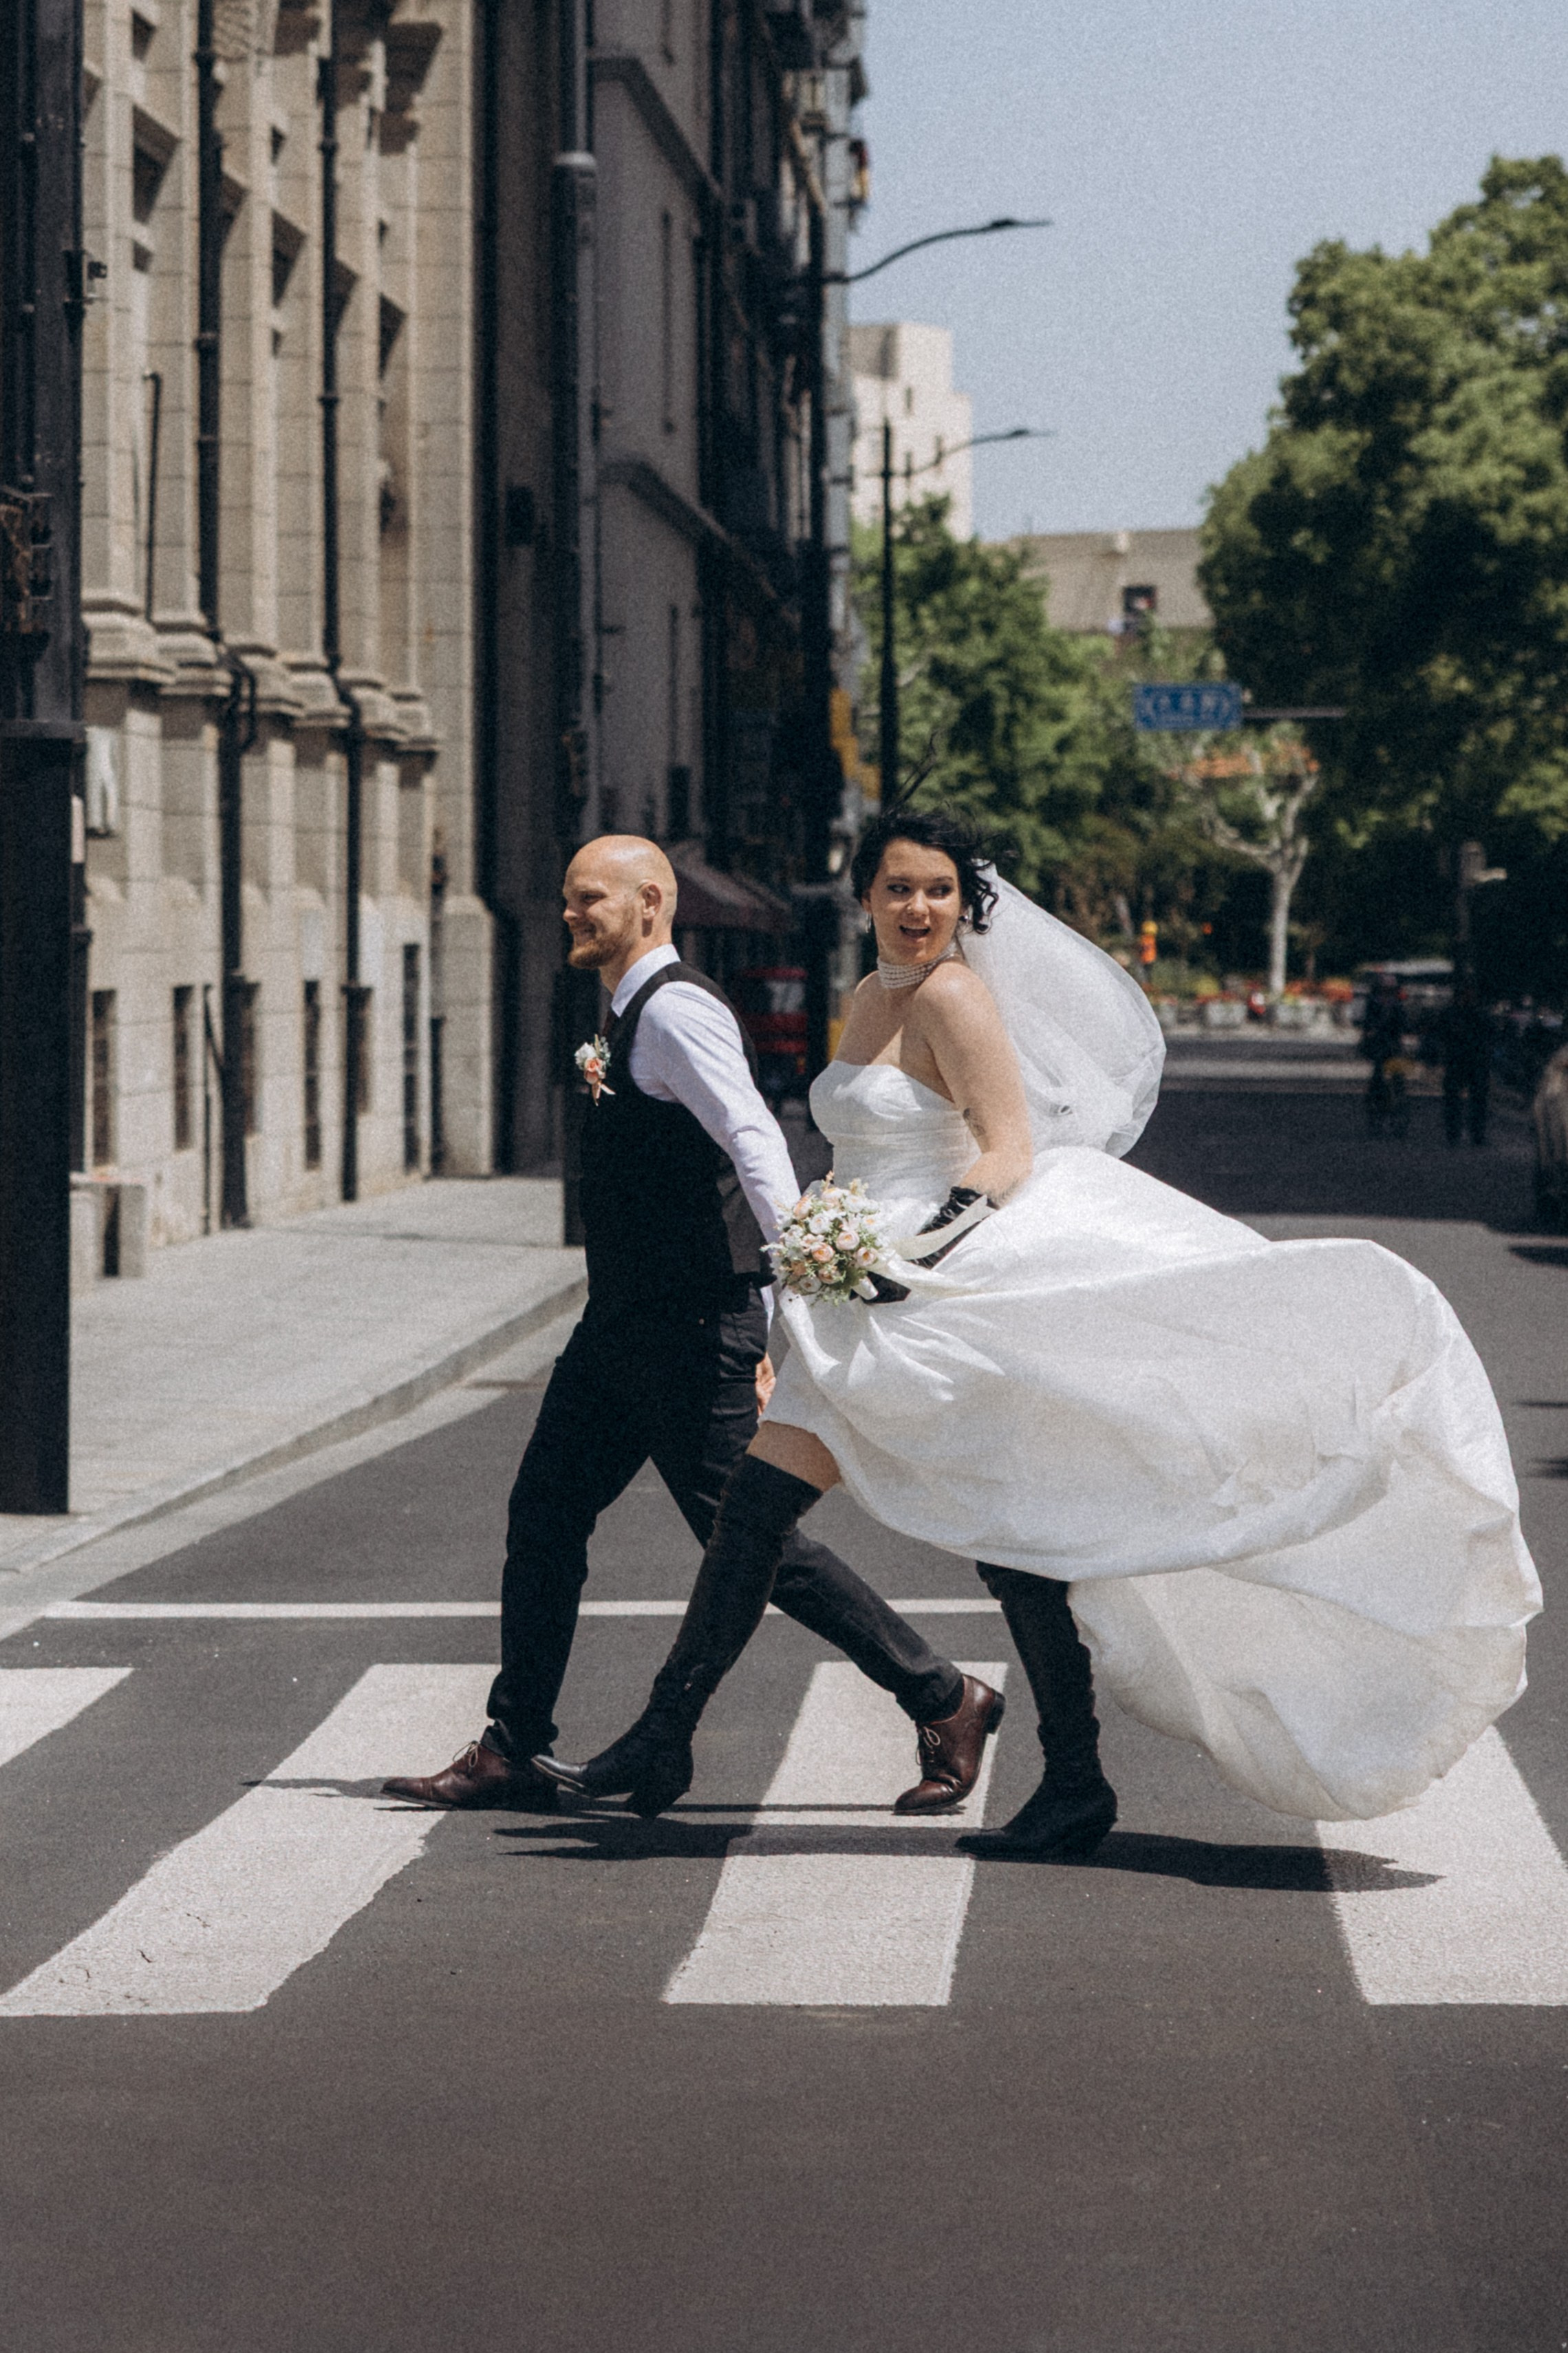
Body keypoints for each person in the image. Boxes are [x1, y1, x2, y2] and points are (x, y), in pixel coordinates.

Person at [537, 809, 1539, 1857]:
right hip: (856, 1296)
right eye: (895, 888)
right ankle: (665, 1738)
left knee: (1011, 1539)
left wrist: (907, 1257)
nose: (916, 908)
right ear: (865, 897)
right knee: (752, 1514)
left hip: (945, 1289)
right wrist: (820, 1248)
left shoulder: (956, 995)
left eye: (935, 890)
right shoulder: (870, 996)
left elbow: (1004, 1152)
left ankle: (1070, 1777)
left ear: (960, 903)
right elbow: (853, 1145)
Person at [384, 836, 997, 1818]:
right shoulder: (625, 1010)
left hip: (687, 1327)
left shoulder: (676, 1011)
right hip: (619, 1323)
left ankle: (941, 1693)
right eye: (567, 896)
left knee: (752, 1541)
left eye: (589, 898)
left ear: (651, 901)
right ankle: (513, 1741)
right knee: (544, 1511)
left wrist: (783, 1296)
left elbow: (752, 1137)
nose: (571, 912)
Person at [1436, 981, 1495, 1147]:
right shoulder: (1451, 1014)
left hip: (1476, 1061)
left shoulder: (1481, 1014)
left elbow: (1490, 1035)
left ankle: (1477, 1134)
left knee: (1478, 1099)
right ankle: (1454, 1133)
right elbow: (1441, 1034)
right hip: (1457, 1060)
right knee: (1454, 1099)